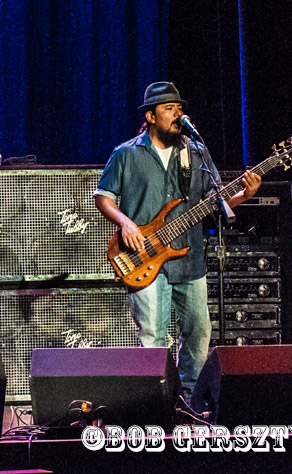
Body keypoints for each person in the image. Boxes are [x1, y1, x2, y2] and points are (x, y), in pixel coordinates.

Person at [94, 81, 260, 398]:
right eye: (169, 108)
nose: (177, 114)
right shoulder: (127, 154)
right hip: (144, 256)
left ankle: (189, 399)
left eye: (179, 108)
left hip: (190, 258)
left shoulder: (196, 153)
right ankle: (155, 401)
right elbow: (103, 197)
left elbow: (216, 201)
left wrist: (243, 194)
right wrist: (126, 223)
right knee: (153, 336)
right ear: (151, 116)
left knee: (199, 331)